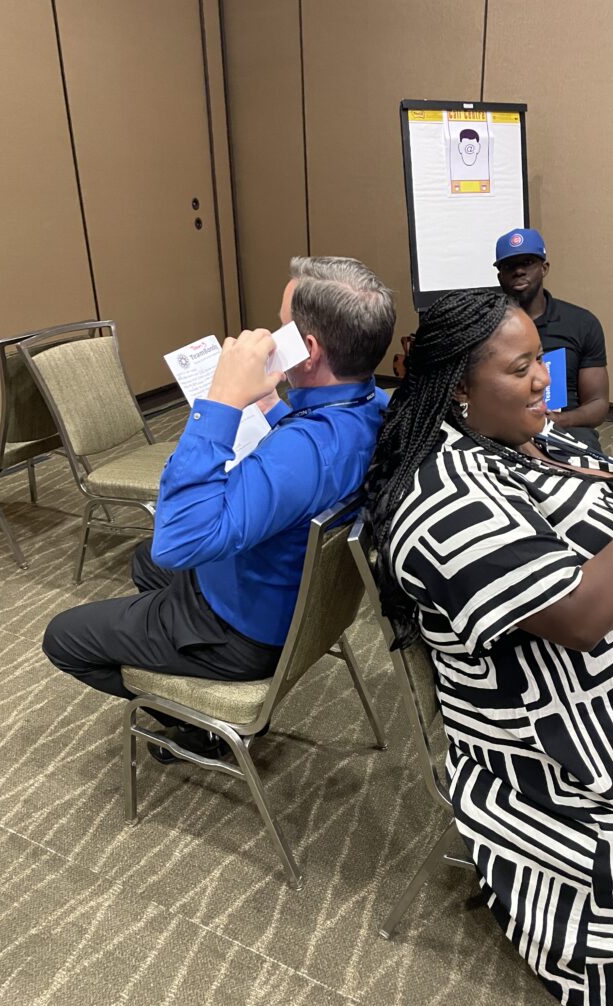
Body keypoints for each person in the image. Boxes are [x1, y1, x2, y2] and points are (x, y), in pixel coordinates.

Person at [365, 287, 613, 1006]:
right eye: (520, 370)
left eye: (539, 360)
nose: (545, 379)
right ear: (458, 387)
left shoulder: (529, 436)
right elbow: (577, 619)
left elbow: (608, 518)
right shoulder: (441, 501)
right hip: (561, 722)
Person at [43, 256, 395, 760]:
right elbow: (315, 455)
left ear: (309, 349)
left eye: (282, 325)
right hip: (296, 599)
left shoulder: (302, 453)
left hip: (244, 631)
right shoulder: (372, 407)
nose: (274, 336)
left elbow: (180, 537)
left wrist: (223, 402)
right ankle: (183, 669)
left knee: (64, 637)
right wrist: (273, 405)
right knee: (144, 561)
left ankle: (201, 729)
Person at [494, 227, 609, 449]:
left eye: (527, 262)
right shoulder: (485, 324)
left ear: (544, 268)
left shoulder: (581, 323)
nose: (518, 271)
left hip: (564, 426)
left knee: (590, 476)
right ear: (500, 277)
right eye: (509, 266)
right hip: (501, 424)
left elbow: (598, 404)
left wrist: (557, 420)